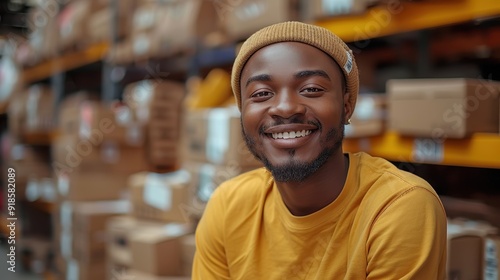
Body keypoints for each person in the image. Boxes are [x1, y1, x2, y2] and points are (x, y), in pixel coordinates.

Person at [192, 21, 447, 279]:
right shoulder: (228, 206)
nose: (285, 107)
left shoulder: (397, 207)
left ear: (346, 107)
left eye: (311, 89)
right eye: (261, 94)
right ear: (242, 112)